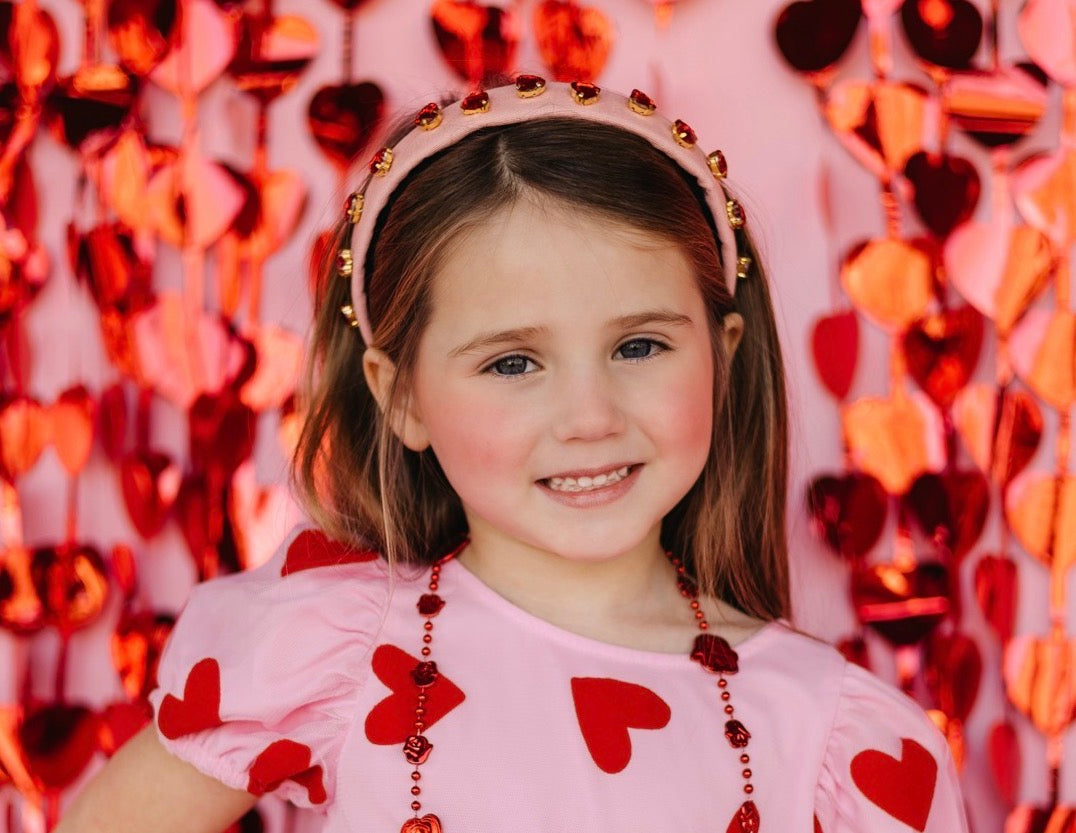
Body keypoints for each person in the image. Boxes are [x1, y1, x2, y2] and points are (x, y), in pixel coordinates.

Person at [58, 78, 969, 833]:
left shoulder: (835, 739)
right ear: (400, 394)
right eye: (513, 362)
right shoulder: (336, 650)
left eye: (640, 346)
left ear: (724, 351)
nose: (588, 415)